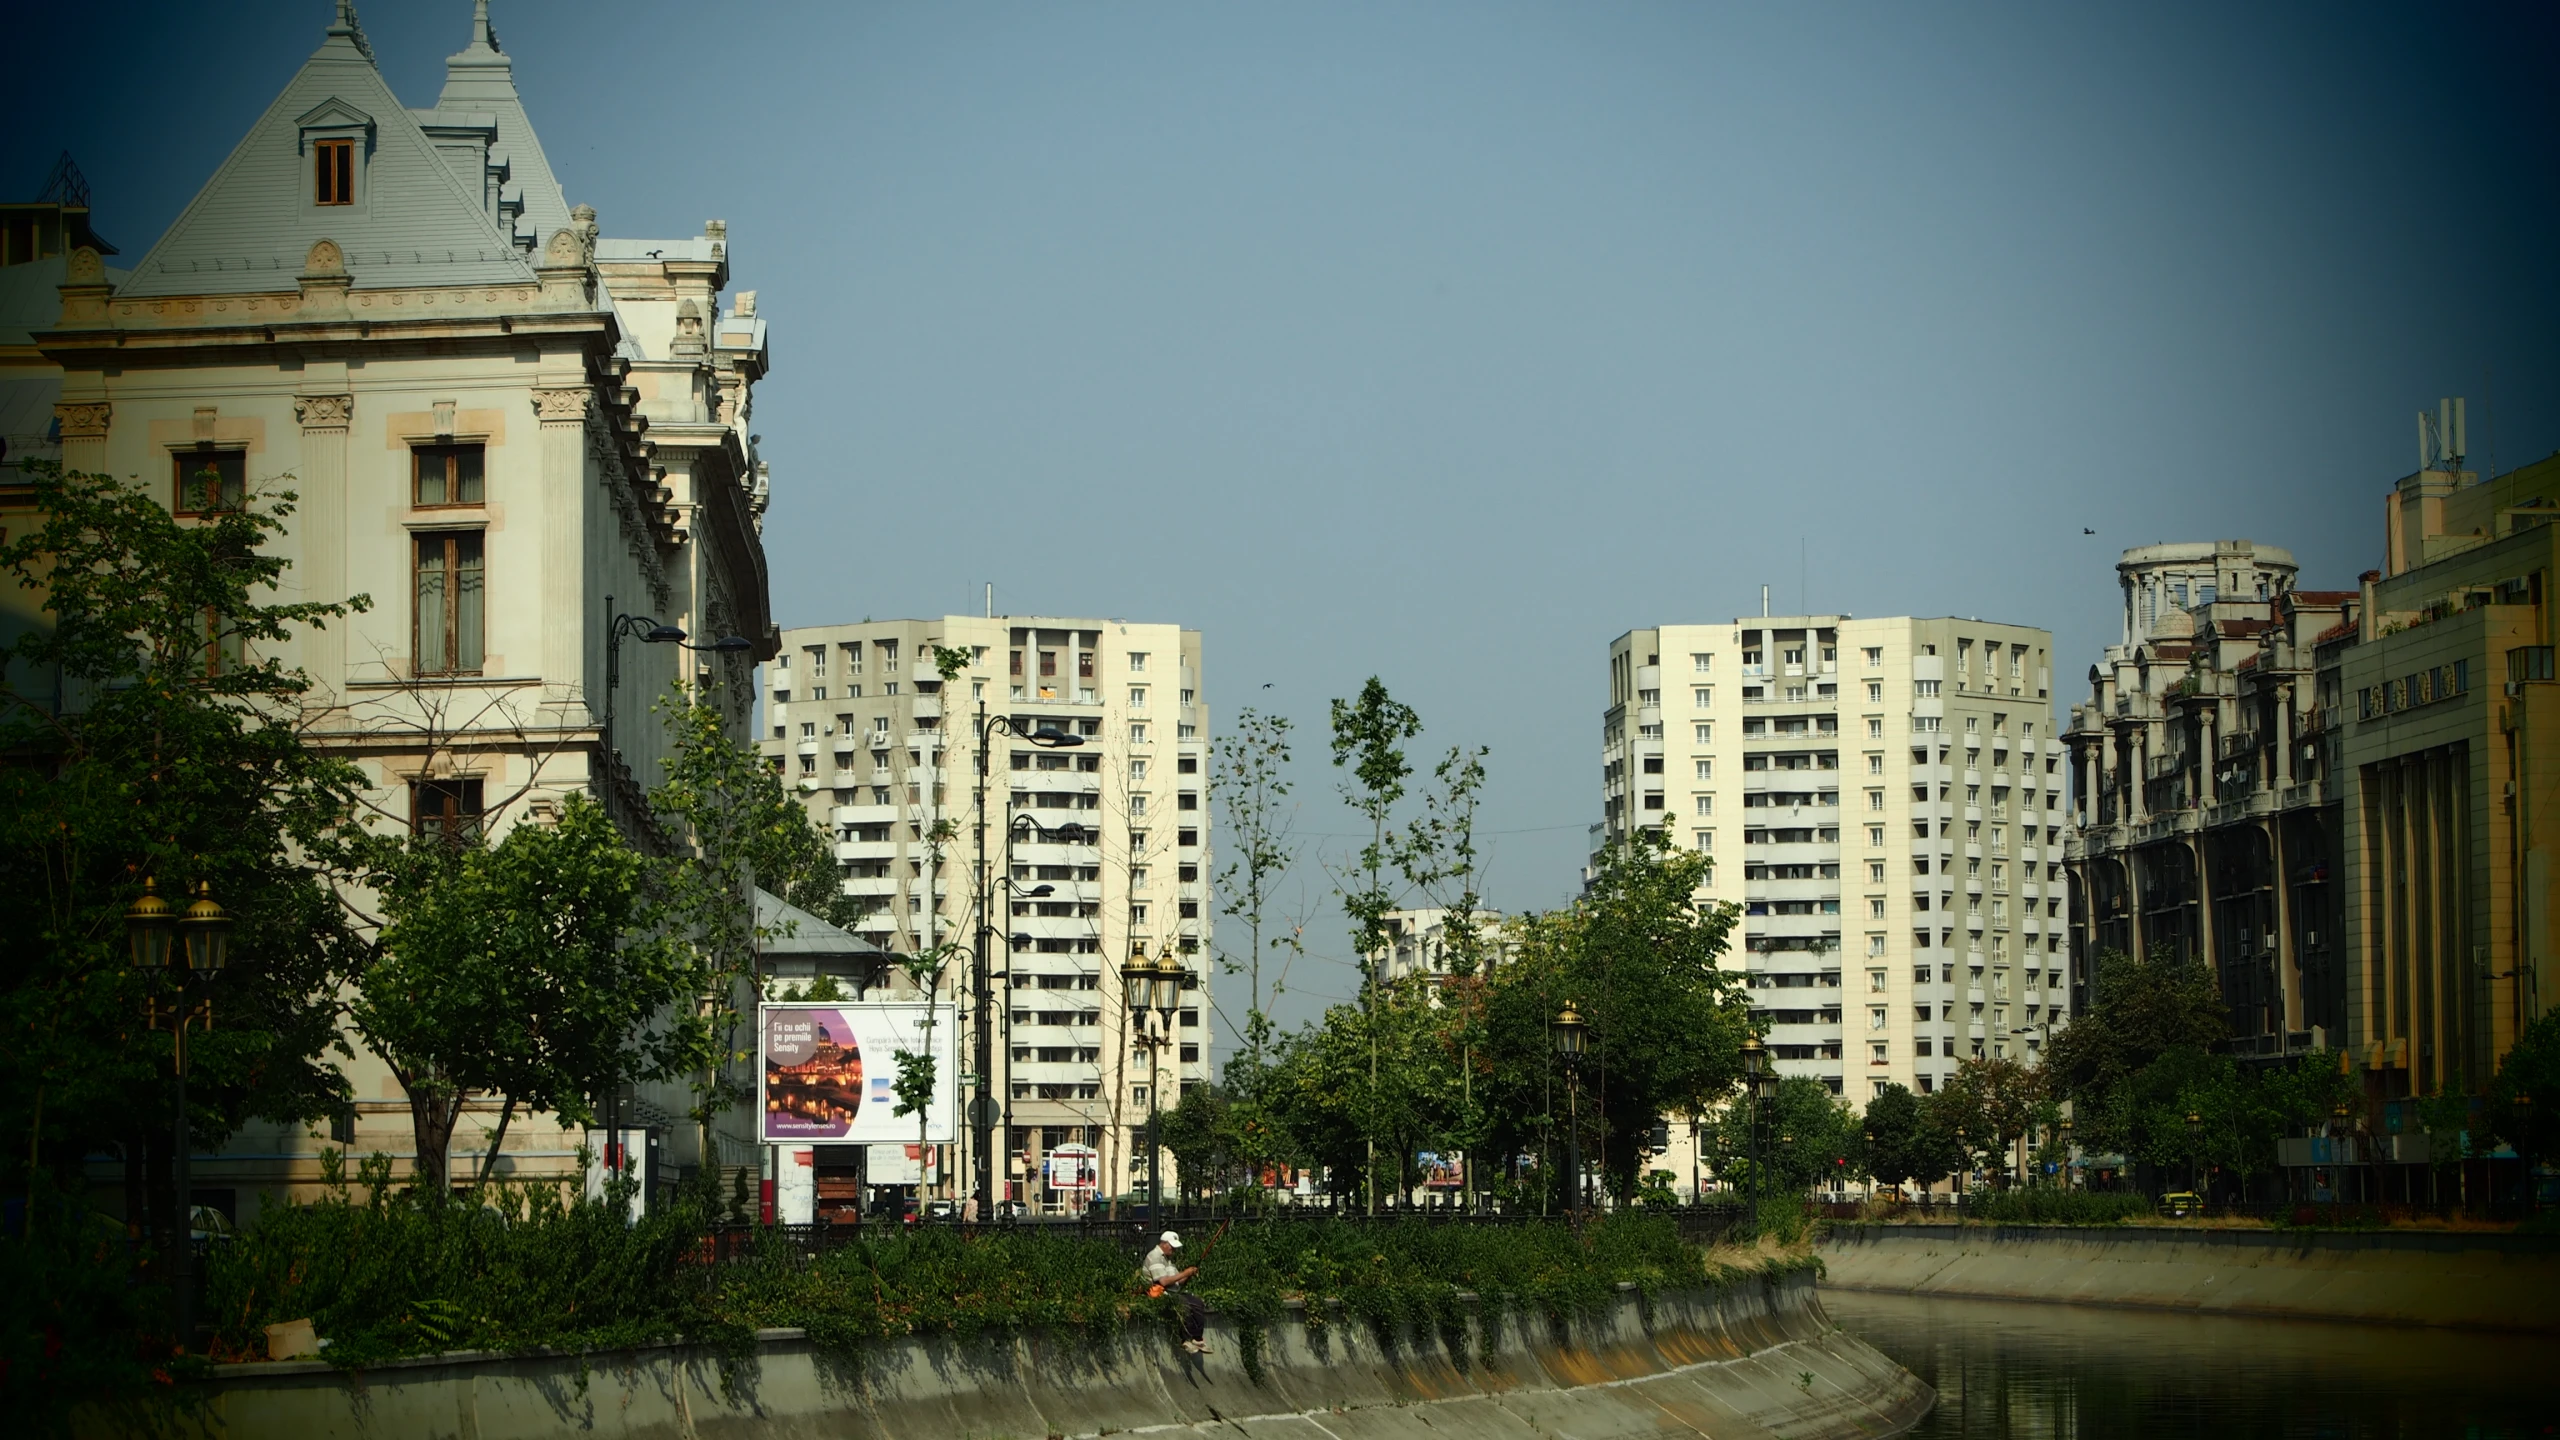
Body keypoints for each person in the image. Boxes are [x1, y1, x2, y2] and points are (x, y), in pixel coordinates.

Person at [1142, 1230, 1208, 1353]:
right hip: (1161, 1293)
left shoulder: (1168, 1259)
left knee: (1197, 1303)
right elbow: (1164, 1282)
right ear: (1164, 1244)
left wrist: (1189, 1274)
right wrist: (1185, 1272)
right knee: (1183, 1304)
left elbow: (1177, 1279)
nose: (1174, 1250)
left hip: (1174, 1292)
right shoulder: (1155, 1257)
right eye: (1172, 1247)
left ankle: (1198, 1338)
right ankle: (1184, 1339)